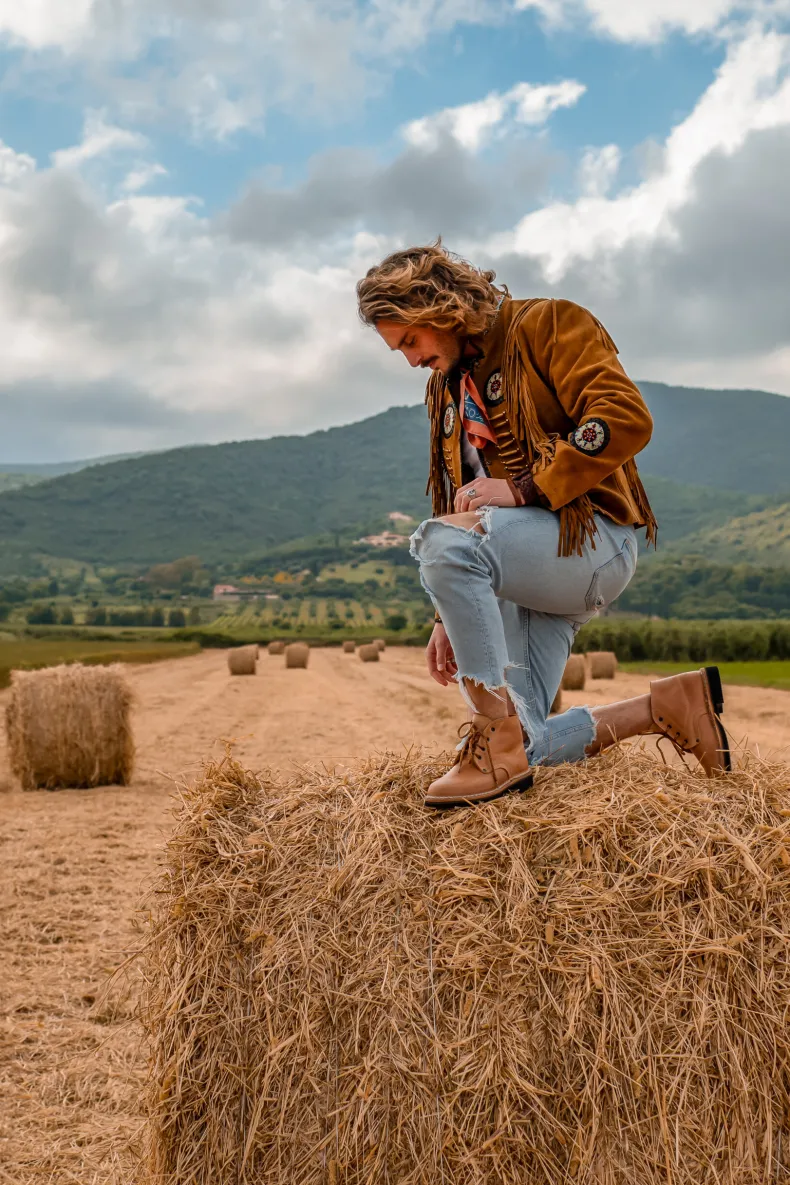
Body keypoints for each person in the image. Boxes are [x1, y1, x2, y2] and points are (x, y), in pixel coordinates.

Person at [356, 242, 730, 807]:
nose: (410, 358)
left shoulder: (549, 323)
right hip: (520, 564)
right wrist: (448, 608)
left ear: (445, 309)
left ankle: (491, 734)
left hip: (591, 542)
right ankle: (663, 708)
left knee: (438, 542)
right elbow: (459, 502)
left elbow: (624, 417)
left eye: (411, 339)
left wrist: (525, 489)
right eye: (398, 349)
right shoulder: (446, 389)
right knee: (525, 748)